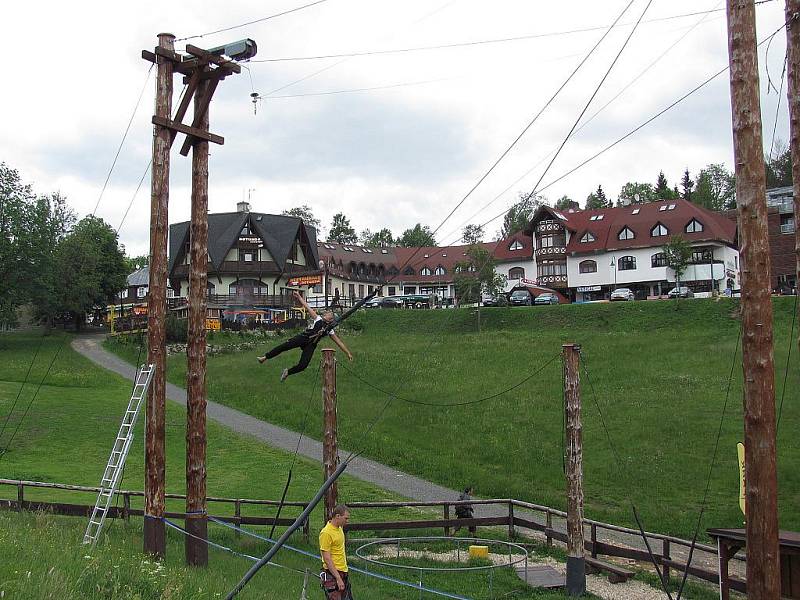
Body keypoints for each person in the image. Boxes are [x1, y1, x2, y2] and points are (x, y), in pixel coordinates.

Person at [257, 291, 353, 381]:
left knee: (303, 365)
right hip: (303, 338)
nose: (327, 313)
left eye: (329, 314)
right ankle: (265, 357)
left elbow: (339, 343)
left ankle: (287, 372)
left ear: (331, 320)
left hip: (311, 345)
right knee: (284, 347)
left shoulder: (329, 330)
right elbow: (307, 306)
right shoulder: (318, 318)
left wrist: (347, 353)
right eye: (328, 313)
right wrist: (299, 297)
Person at [319, 504, 354, 600]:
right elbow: (327, 558)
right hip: (333, 574)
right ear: (337, 516)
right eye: (346, 518)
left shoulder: (339, 529)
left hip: (343, 571)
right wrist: (338, 578)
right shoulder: (326, 533)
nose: (347, 521)